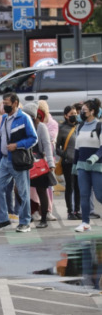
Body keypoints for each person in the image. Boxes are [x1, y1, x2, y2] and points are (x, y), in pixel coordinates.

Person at [0, 93, 38, 233]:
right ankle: (3, 219)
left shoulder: (24, 118)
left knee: (23, 192)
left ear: (15, 103)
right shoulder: (4, 119)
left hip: (19, 160)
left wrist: (17, 145)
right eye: (3, 102)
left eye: (7, 102)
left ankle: (25, 222)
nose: (4, 105)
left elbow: (33, 139)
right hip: (5, 160)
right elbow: (1, 142)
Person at [22, 103, 55, 229]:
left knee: (42, 190)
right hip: (24, 161)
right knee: (18, 189)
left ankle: (44, 219)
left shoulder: (41, 127)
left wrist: (51, 164)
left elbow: (47, 146)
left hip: (38, 162)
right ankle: (29, 214)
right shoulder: (22, 126)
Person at [72, 98, 102, 233]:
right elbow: (77, 148)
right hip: (82, 166)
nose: (81, 113)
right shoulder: (80, 126)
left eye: (84, 111)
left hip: (97, 166)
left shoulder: (99, 126)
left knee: (99, 195)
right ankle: (85, 222)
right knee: (84, 194)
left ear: (92, 111)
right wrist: (75, 164)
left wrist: (95, 157)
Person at [56, 105, 81, 220]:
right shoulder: (62, 128)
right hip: (68, 162)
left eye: (75, 113)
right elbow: (57, 148)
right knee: (70, 187)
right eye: (71, 114)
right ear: (66, 116)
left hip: (79, 162)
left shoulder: (80, 127)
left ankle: (77, 210)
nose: (74, 116)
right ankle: (70, 211)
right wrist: (66, 155)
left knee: (78, 187)